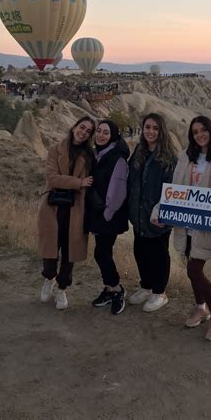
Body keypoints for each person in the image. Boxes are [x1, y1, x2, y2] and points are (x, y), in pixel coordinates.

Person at [153, 116, 211, 341]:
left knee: (194, 270)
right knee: (190, 267)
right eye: (195, 131)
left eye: (203, 130)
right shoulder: (186, 156)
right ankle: (201, 307)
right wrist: (159, 211)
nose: (200, 135)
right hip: (186, 221)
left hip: (206, 225)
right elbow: (175, 189)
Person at [38, 116, 95, 310]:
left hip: (75, 208)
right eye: (82, 127)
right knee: (50, 251)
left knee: (70, 253)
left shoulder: (88, 156)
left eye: (88, 131)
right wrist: (78, 183)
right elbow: (53, 178)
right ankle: (49, 278)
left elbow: (91, 182)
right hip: (52, 207)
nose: (83, 132)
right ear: (74, 128)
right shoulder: (56, 149)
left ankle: (62, 289)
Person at [127, 113, 177, 312]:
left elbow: (173, 188)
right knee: (140, 251)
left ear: (161, 131)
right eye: (147, 127)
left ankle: (160, 292)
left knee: (159, 254)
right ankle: (146, 286)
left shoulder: (168, 157)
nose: (150, 131)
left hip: (157, 216)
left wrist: (163, 212)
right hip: (138, 213)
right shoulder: (139, 150)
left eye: (155, 128)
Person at [85, 120, 129, 315]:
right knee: (103, 252)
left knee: (101, 252)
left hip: (109, 215)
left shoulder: (117, 158)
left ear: (113, 136)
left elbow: (118, 191)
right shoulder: (98, 154)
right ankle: (110, 288)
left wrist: (107, 215)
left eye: (106, 132)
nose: (101, 135)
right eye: (99, 131)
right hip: (99, 213)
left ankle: (117, 289)